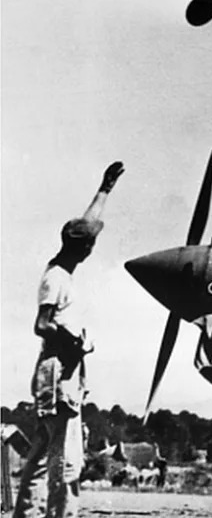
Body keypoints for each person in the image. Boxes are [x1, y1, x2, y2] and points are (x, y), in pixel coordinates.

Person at [13, 162, 125, 518]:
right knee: (67, 461)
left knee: (45, 455)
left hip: (60, 370)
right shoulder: (57, 279)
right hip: (60, 371)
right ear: (85, 248)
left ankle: (26, 514)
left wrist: (104, 189)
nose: (94, 245)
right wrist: (73, 344)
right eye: (92, 242)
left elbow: (86, 225)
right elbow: (42, 324)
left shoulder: (61, 266)